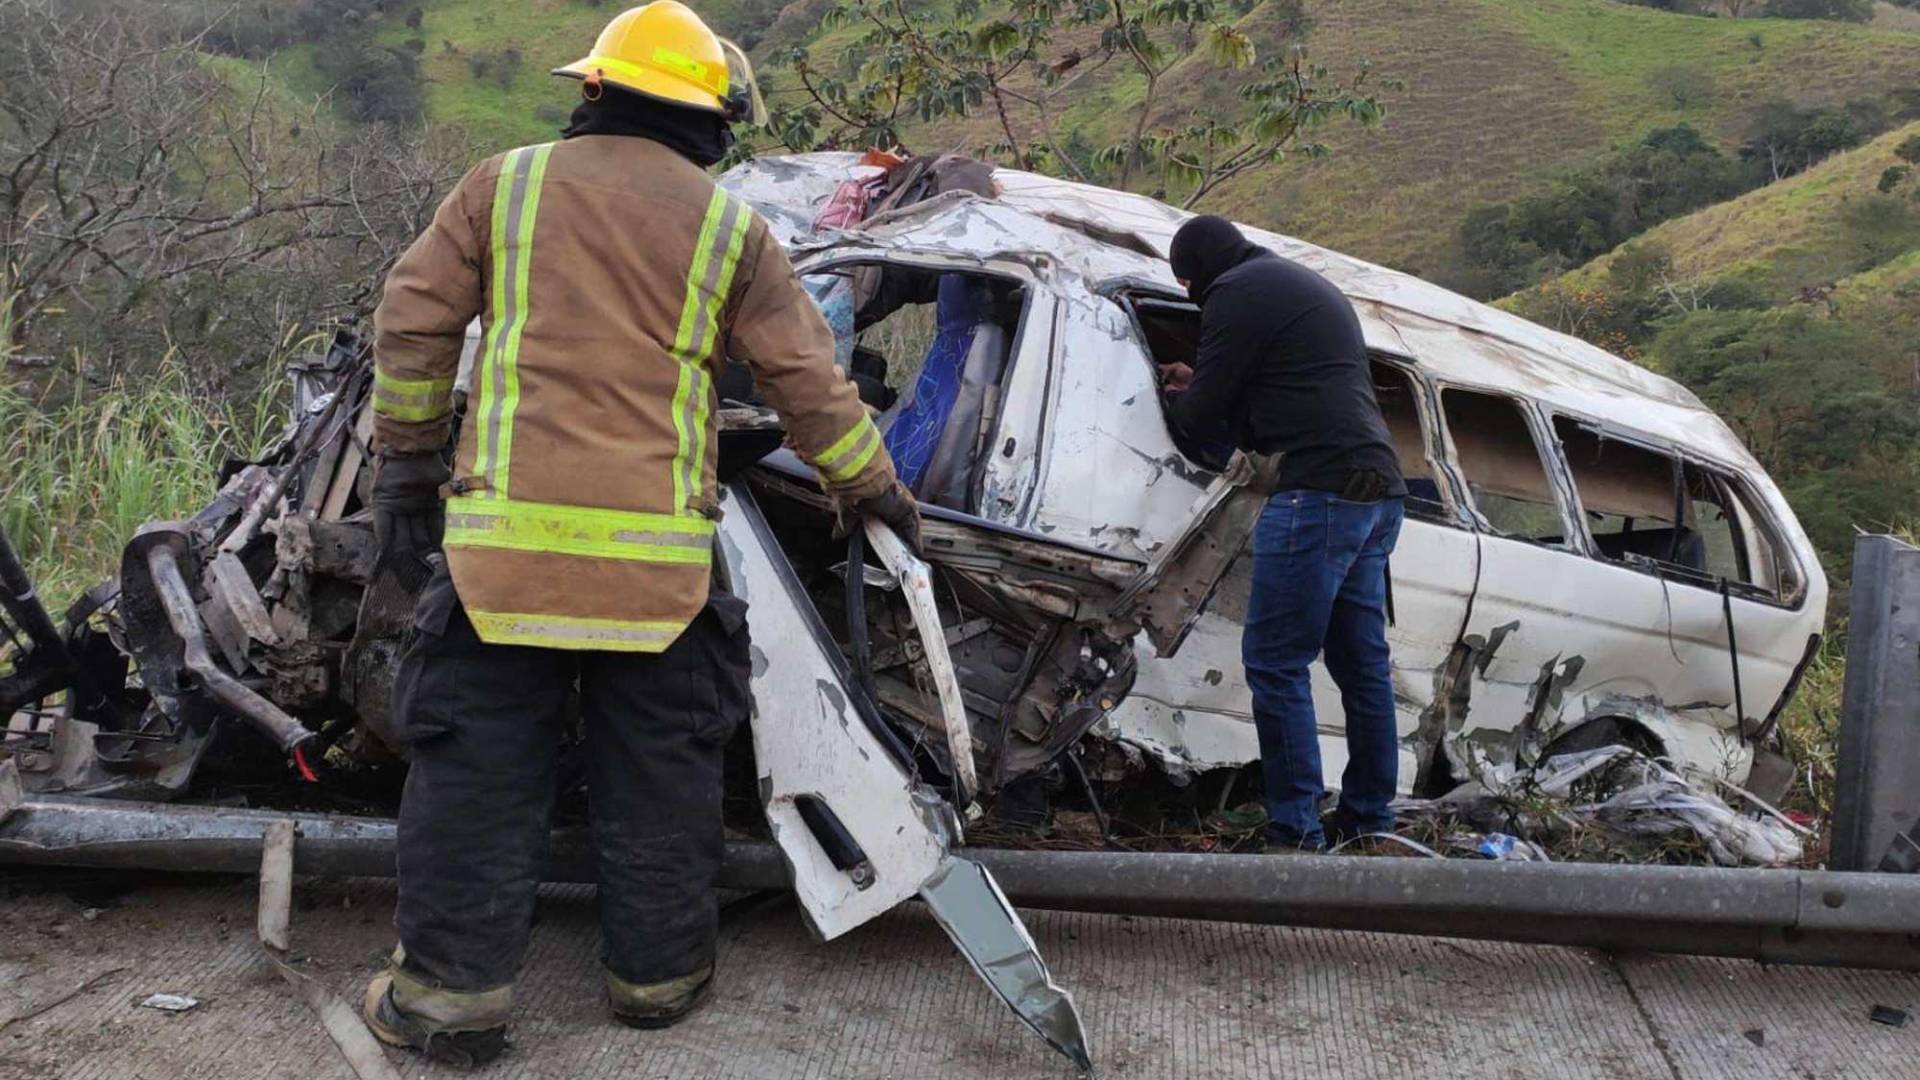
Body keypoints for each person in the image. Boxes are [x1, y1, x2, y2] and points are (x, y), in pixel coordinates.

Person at [359, 2, 920, 1066]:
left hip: (500, 566)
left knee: (477, 773)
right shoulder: (728, 228)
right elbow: (808, 384)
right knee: (660, 771)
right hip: (658, 579)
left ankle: (447, 1003)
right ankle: (654, 984)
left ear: (595, 90)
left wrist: (407, 468)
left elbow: (413, 317)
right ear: (709, 122)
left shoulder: (503, 186)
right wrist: (877, 491)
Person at [1161, 215, 1407, 853]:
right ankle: (1370, 819)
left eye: (1188, 287)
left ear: (1196, 274)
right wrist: (1207, 381)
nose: (1193, 299)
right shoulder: (1296, 282)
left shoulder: (1232, 294)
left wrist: (1178, 393)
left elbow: (1199, 416)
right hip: (1377, 489)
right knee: (1362, 666)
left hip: (1316, 492)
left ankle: (1295, 830)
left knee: (1275, 662)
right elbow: (1284, 380)